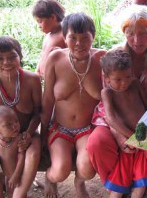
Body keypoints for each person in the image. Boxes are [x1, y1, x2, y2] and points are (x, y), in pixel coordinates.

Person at [87, 4, 147, 198]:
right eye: (130, 33)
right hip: (116, 124)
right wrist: (120, 135)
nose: (137, 40)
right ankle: (117, 184)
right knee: (96, 143)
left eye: (143, 33)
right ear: (124, 33)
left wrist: (144, 135)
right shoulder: (111, 58)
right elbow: (107, 109)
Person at [41, 12, 105, 198]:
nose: (79, 43)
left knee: (87, 169)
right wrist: (43, 133)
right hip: (60, 128)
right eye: (73, 37)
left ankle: (79, 182)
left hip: (88, 128)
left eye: (85, 37)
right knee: (60, 170)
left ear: (93, 36)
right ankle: (50, 178)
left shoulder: (102, 59)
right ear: (64, 36)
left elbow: (115, 90)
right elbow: (47, 100)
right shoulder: (55, 59)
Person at [0, 36, 42, 198]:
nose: (7, 62)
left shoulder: (32, 79)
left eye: (12, 57)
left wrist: (29, 133)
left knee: (33, 152)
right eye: (0, 58)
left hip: (26, 134)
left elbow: (38, 112)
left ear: (20, 56)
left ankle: (19, 194)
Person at [100, 49, 147, 197]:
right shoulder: (107, 93)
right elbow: (111, 119)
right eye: (118, 79)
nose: (124, 83)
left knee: (140, 188)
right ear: (107, 78)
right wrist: (133, 137)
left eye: (128, 76)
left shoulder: (135, 84)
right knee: (117, 189)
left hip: (142, 143)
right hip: (128, 143)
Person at [0, 106, 25, 198]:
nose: (15, 126)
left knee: (19, 195)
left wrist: (16, 175)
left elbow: (21, 158)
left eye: (16, 121)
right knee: (9, 193)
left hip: (18, 176)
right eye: (8, 124)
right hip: (7, 177)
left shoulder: (19, 139)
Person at [32, 0, 67, 79]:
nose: (39, 26)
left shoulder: (65, 35)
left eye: (40, 22)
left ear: (52, 17)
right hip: (43, 78)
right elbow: (43, 55)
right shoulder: (47, 35)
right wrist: (37, 71)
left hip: (57, 79)